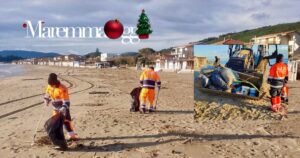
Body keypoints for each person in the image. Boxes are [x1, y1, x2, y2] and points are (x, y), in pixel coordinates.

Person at [44, 73, 77, 140]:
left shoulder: (62, 88)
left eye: (52, 84)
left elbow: (67, 102)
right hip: (55, 108)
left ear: (55, 81)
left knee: (66, 121)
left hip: (63, 108)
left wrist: (63, 108)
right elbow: (47, 94)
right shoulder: (49, 86)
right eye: (50, 84)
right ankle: (57, 137)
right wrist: (46, 100)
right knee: (55, 123)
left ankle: (71, 135)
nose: (51, 86)